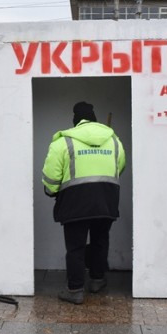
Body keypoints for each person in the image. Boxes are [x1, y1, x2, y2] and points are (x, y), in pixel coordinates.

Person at [42, 101, 126, 305]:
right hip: (106, 199)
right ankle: (97, 280)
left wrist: (51, 191)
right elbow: (120, 167)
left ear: (75, 119)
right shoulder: (114, 139)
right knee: (100, 241)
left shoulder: (63, 142)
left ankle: (75, 290)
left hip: (75, 202)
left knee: (76, 247)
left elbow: (51, 177)